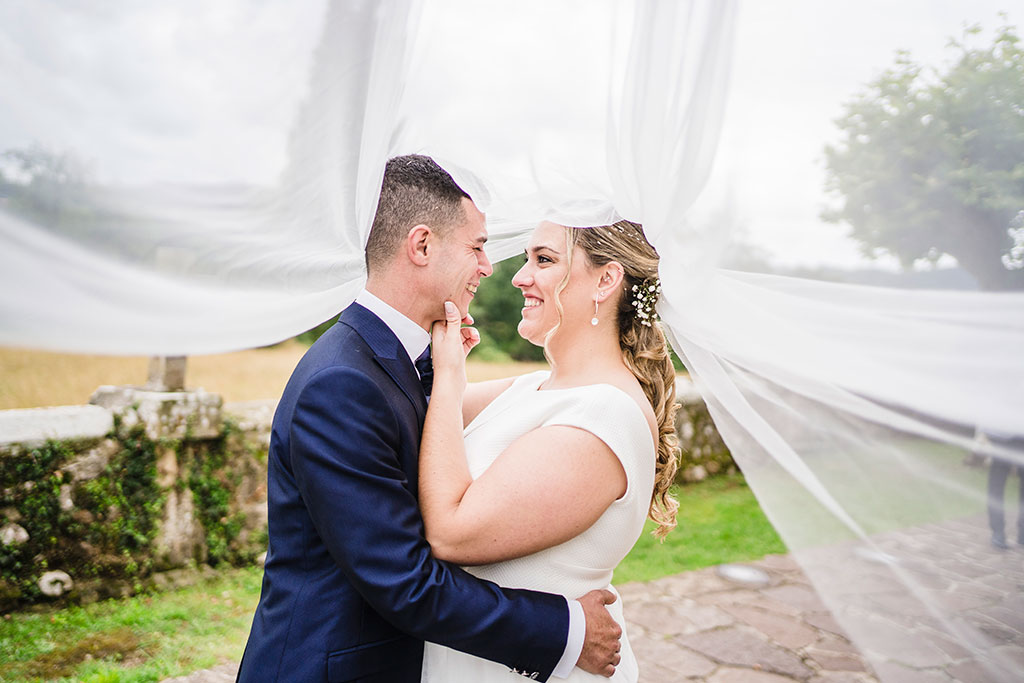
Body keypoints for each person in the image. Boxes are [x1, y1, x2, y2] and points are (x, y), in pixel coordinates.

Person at [236, 156, 622, 683]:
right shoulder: (342, 383)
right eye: (478, 246)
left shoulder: (399, 363)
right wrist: (567, 629)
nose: (489, 267)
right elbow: (402, 580)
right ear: (421, 246)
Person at [418, 218, 680, 682]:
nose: (520, 277)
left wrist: (451, 374)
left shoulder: (603, 415)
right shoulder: (535, 387)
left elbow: (452, 533)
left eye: (544, 260)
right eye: (526, 259)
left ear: (606, 280)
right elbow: (416, 413)